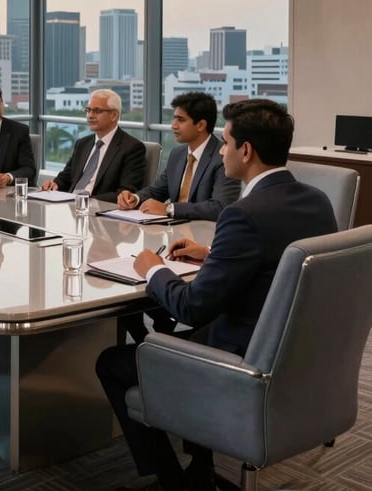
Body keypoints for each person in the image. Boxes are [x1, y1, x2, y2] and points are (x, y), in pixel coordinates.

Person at [95, 99, 337, 491]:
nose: (220, 151)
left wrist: (151, 268)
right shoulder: (317, 201)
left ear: (246, 151)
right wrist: (213, 254)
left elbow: (191, 305)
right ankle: (199, 462)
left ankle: (172, 480)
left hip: (242, 364)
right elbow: (280, 260)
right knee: (177, 334)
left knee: (113, 362)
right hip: (299, 358)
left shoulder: (243, 213)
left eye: (225, 143)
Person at [117, 92, 241, 221]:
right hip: (174, 229)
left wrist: (170, 209)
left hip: (204, 233)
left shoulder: (223, 156)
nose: (173, 125)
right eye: (174, 118)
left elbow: (219, 207)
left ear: (201, 125)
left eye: (181, 120)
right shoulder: (178, 153)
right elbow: (158, 190)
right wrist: (134, 198)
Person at [41, 89, 145, 203]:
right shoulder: (82, 144)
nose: (90, 116)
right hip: (70, 205)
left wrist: (87, 199)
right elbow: (66, 176)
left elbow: (126, 192)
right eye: (88, 110)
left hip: (97, 210)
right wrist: (55, 184)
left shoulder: (132, 148)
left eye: (97, 111)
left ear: (114, 115)